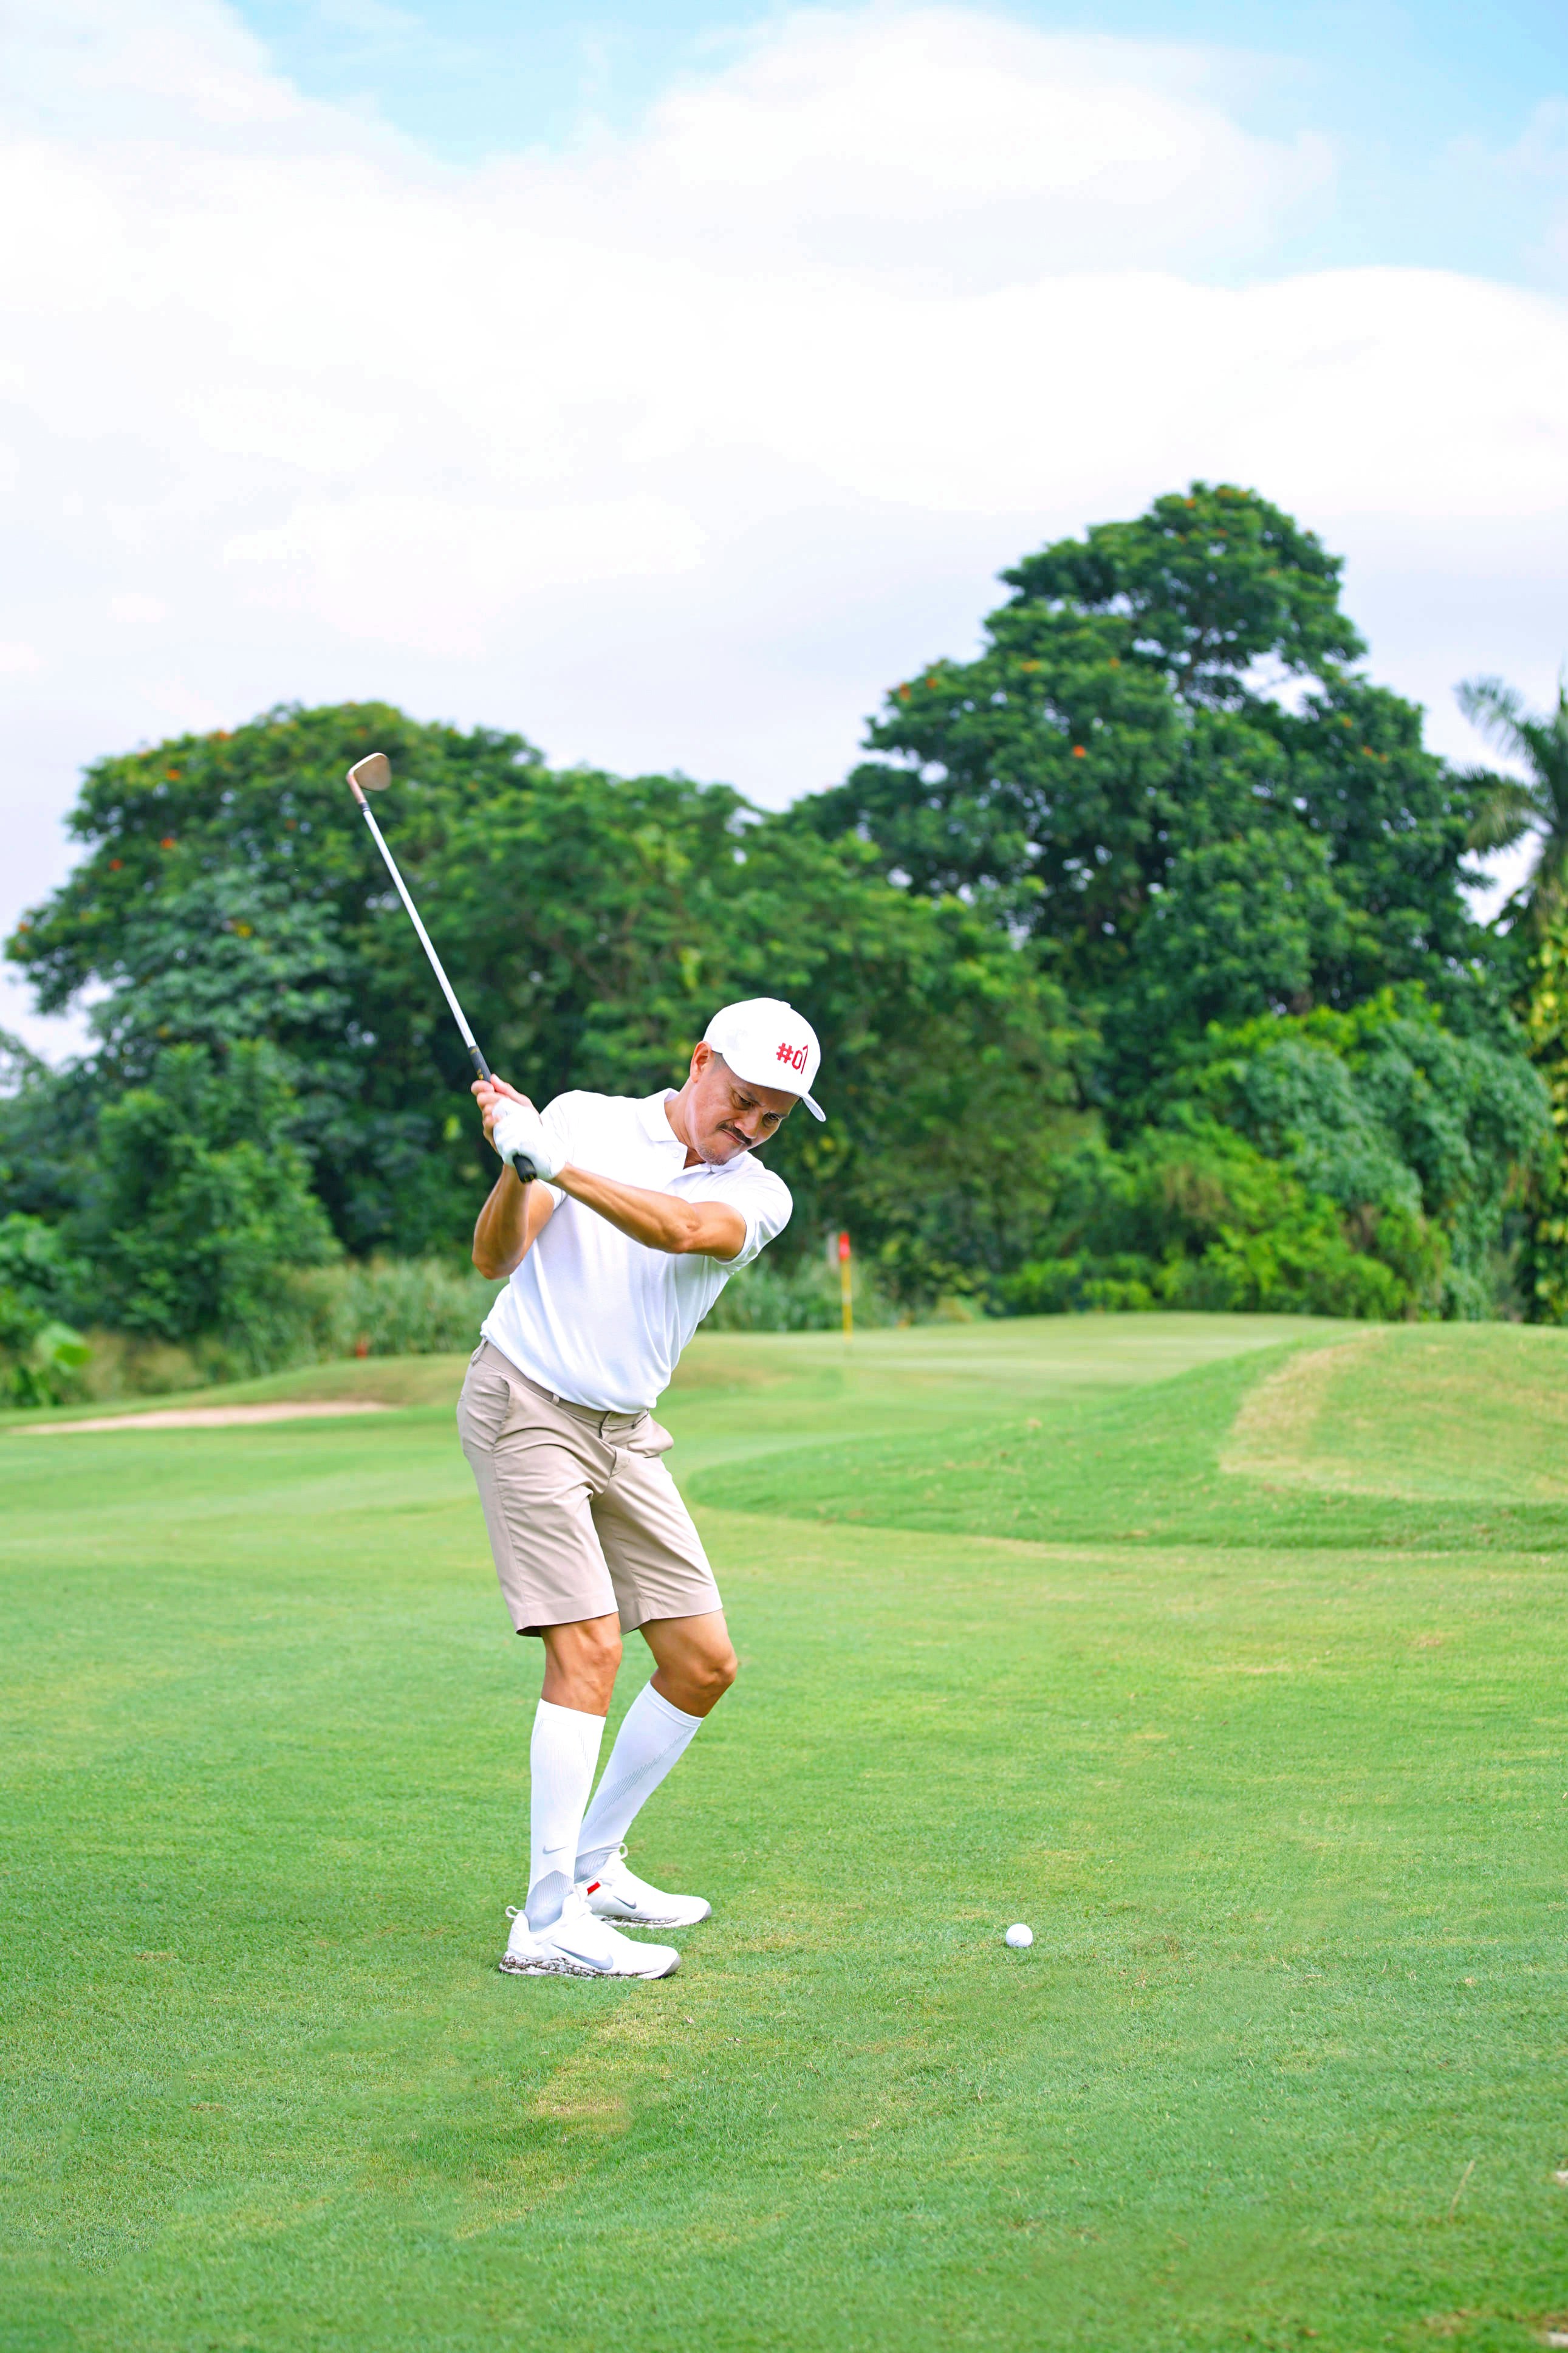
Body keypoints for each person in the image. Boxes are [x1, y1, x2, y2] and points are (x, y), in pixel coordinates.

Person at [458, 997, 824, 1980]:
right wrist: (517, 1163)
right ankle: (543, 1926)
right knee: (587, 1650)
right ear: (700, 1061)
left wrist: (555, 1162)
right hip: (526, 1401)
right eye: (743, 1100)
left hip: (626, 1430)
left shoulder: (761, 1195)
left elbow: (677, 1230)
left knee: (702, 1662)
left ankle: (589, 1868)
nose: (750, 1126)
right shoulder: (583, 1118)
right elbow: (497, 1256)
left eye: (775, 1116)